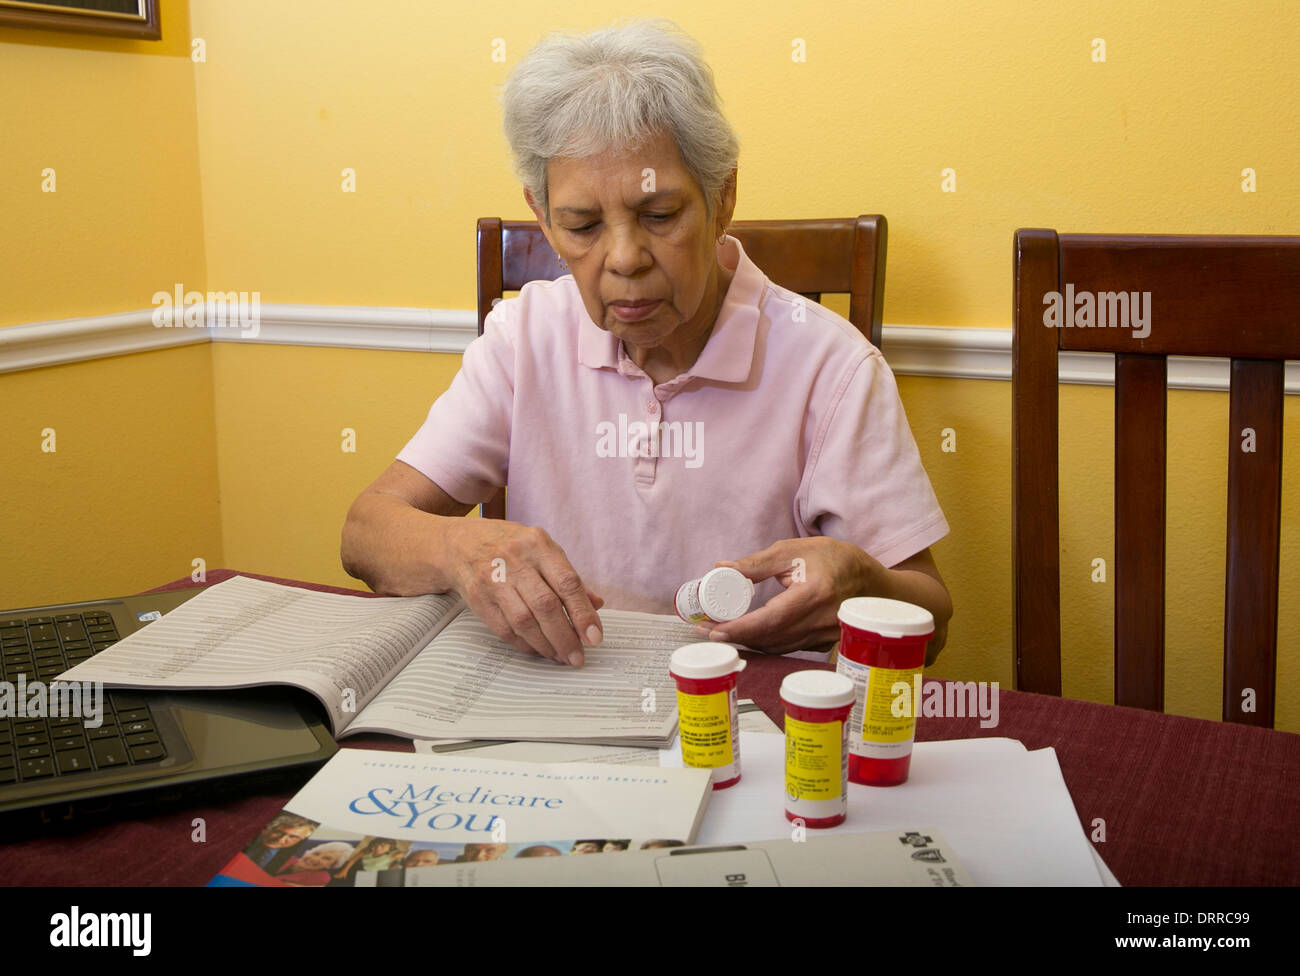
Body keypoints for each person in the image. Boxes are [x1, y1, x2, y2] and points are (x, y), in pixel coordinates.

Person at [340, 19, 952, 667]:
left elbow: (932, 619)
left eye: (659, 216)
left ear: (723, 199)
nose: (625, 259)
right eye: (582, 225)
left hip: (746, 721)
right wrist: (461, 551)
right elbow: (366, 532)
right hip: (562, 710)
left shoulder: (831, 366)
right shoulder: (524, 337)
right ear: (543, 220)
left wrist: (869, 586)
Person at [243, 813, 318, 875]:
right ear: (267, 828)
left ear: (301, 840)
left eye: (292, 837)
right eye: (278, 832)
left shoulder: (294, 859)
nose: (281, 839)